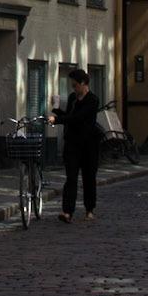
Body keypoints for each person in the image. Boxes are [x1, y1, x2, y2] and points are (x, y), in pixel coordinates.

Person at [53, 65, 101, 223]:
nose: (73, 88)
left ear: (83, 83)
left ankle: (89, 209)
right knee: (71, 178)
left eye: (74, 85)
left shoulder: (93, 100)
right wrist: (57, 112)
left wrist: (59, 120)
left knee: (89, 178)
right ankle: (67, 211)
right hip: (72, 143)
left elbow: (79, 117)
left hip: (89, 145)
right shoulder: (73, 99)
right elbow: (70, 116)